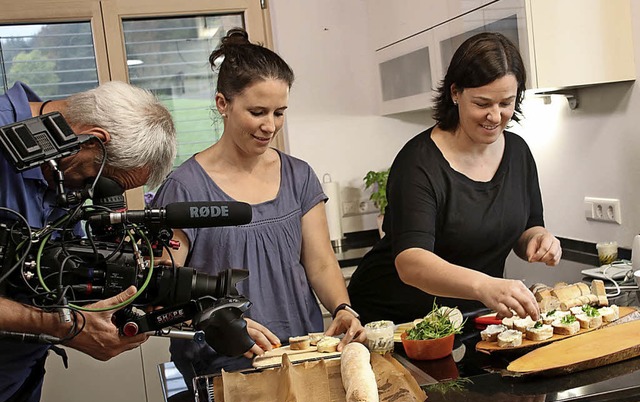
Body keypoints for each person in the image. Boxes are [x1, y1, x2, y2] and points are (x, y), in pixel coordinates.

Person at [152, 28, 365, 379]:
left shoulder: (298, 176)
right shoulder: (184, 188)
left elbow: (322, 263)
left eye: (279, 113)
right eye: (257, 112)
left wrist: (343, 308)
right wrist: (223, 323)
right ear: (223, 104)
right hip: (222, 367)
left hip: (300, 355)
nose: (270, 126)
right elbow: (165, 285)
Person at [0, 80, 177, 402]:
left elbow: (51, 277)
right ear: (91, 140)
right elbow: (58, 317)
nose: (92, 195)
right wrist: (63, 326)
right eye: (103, 182)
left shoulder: (63, 167)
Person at [348, 32, 562, 328]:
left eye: (506, 103)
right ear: (455, 93)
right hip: (398, 320)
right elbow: (411, 262)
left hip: (470, 318)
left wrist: (539, 240)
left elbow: (528, 226)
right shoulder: (419, 162)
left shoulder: (518, 152)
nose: (495, 116)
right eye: (482, 103)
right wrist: (484, 285)